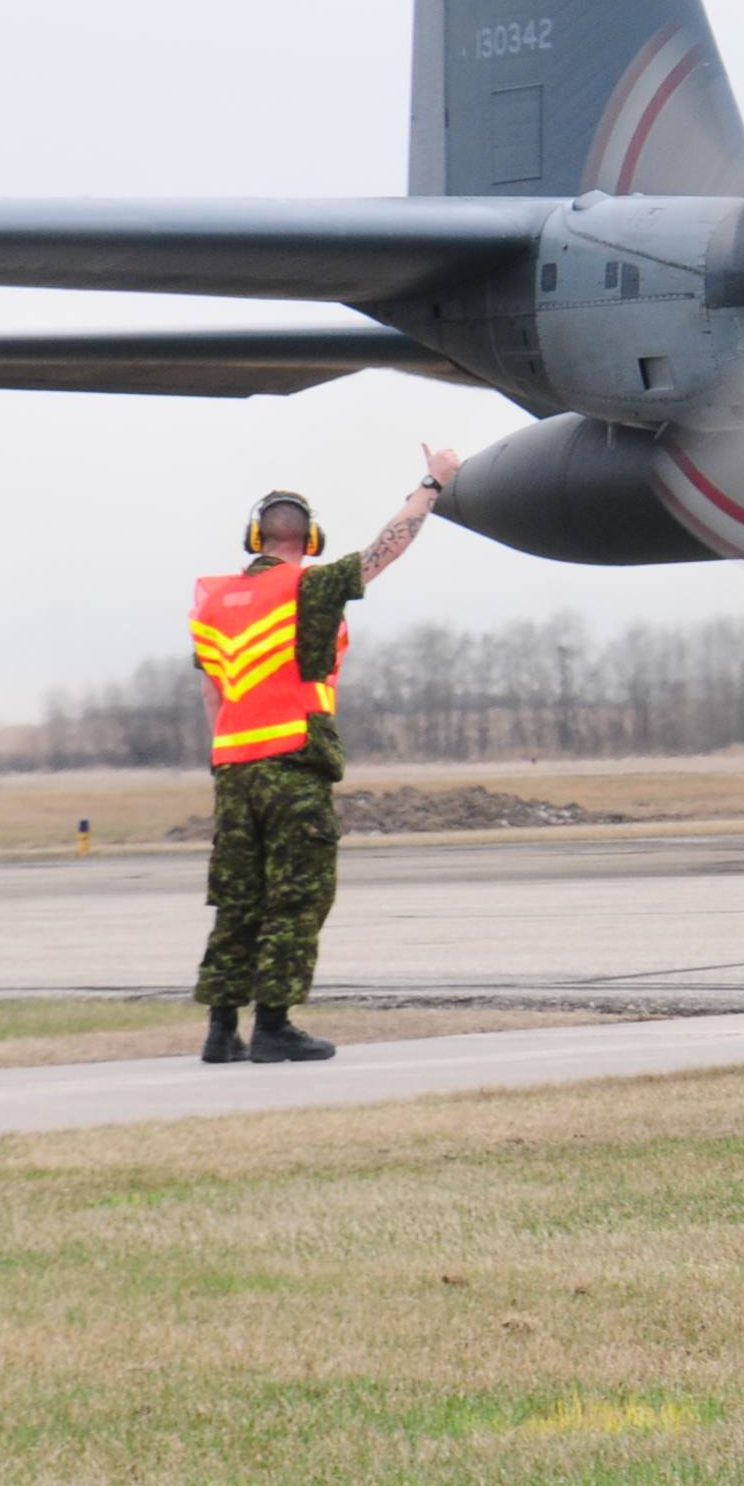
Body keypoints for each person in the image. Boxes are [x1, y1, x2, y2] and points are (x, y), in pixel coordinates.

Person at [188, 447, 462, 1064]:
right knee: (296, 895)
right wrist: (433, 482)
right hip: (291, 764)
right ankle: (275, 1027)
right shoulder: (311, 587)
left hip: (233, 768)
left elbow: (210, 689)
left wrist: (229, 755)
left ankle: (221, 1028)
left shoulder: (211, 602)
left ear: (255, 536)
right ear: (309, 538)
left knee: (237, 897)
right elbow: (383, 551)